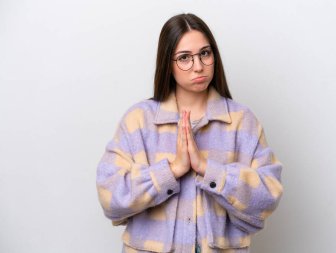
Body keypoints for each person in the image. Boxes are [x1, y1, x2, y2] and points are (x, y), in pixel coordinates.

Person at [96, 13, 284, 253]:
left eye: (205, 53)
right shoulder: (139, 121)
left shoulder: (241, 121)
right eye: (184, 58)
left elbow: (267, 196)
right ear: (167, 63)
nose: (198, 66)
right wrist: (172, 170)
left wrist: (208, 169)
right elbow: (110, 197)